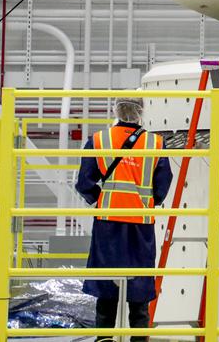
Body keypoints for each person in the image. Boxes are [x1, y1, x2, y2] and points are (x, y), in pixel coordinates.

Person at [76, 96, 173, 342]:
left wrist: (101, 198)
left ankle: (104, 338)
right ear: (141, 112)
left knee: (107, 285)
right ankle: (139, 339)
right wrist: (149, 201)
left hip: (108, 222)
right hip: (140, 223)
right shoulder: (155, 143)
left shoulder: (99, 140)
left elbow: (84, 182)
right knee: (139, 286)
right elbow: (162, 184)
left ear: (116, 111)